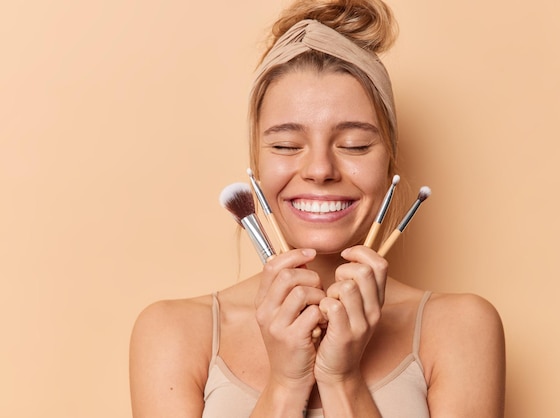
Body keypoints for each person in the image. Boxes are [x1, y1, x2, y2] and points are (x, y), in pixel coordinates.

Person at [129, 0, 506, 417]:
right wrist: (286, 384)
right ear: (256, 165)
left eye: (355, 145)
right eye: (287, 146)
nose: (321, 169)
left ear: (389, 163)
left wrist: (342, 379)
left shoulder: (460, 329)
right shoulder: (172, 334)